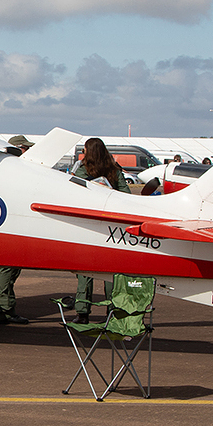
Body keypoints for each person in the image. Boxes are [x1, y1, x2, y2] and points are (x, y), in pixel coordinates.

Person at [71, 138, 130, 324]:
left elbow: (71, 192)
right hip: (109, 227)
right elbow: (126, 195)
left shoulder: (81, 169)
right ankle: (111, 312)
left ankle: (82, 313)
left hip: (87, 225)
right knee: (110, 272)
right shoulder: (114, 170)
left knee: (86, 273)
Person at [0, 134, 36, 325]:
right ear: (18, 149)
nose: (28, 152)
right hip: (10, 227)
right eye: (26, 148)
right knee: (8, 269)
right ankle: (6, 310)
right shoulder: (16, 170)